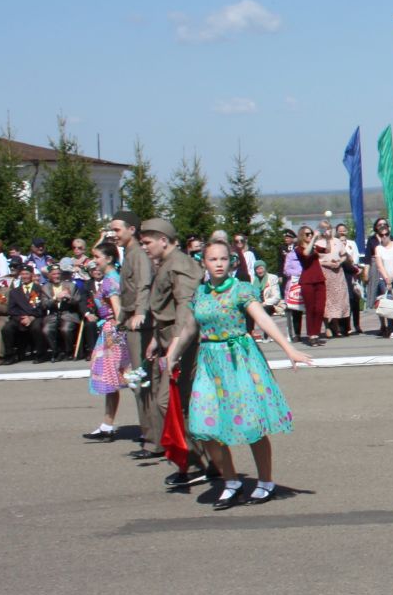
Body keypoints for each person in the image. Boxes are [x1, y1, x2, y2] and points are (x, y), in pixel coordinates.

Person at [164, 240, 314, 508]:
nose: (219, 263)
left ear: (231, 262)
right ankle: (230, 481)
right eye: (213, 259)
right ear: (204, 263)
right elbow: (188, 329)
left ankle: (265, 482)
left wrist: (288, 349)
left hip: (239, 361)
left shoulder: (240, 290)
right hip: (209, 363)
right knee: (205, 426)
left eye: (223, 259)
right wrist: (171, 355)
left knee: (250, 425)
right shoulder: (200, 294)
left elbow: (263, 319)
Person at [142, 217, 209, 489]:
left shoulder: (180, 265)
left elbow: (185, 307)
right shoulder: (167, 264)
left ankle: (198, 463)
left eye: (147, 242)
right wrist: (158, 340)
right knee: (177, 405)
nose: (144, 247)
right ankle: (206, 462)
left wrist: (176, 347)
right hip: (171, 341)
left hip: (185, 344)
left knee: (176, 404)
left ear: (163, 240)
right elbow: (167, 309)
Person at [81, 242, 131, 438]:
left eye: (97, 257)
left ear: (108, 259)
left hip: (114, 333)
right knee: (115, 380)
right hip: (111, 330)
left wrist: (115, 336)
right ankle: (107, 425)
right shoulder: (111, 279)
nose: (94, 261)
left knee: (128, 377)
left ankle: (149, 428)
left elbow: (118, 313)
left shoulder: (111, 282)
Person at [4, 269, 50, 363]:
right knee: (6, 328)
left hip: (36, 316)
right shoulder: (14, 291)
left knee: (36, 327)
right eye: (22, 274)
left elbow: (42, 307)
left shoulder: (40, 289)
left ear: (32, 275)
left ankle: (41, 354)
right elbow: (11, 309)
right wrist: (22, 317)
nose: (25, 276)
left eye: (27, 274)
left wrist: (31, 317)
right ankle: (10, 356)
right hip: (19, 317)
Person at [371, 221, 393, 337]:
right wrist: (387, 279)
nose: (384, 237)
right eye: (381, 235)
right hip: (385, 279)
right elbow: (380, 265)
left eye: (386, 234)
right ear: (378, 236)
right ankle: (392, 329)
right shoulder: (378, 248)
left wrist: (392, 277)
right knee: (389, 304)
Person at [293, 226, 328, 344]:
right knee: (310, 309)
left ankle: (316, 333)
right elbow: (305, 254)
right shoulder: (298, 248)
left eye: (311, 233)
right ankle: (312, 335)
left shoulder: (314, 247)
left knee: (320, 308)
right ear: (302, 235)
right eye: (307, 234)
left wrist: (327, 239)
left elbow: (327, 250)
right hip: (307, 280)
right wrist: (314, 239)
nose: (310, 236)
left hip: (319, 278)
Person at [321, 223, 351, 338]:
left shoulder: (337, 241)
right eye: (324, 229)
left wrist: (339, 262)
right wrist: (326, 263)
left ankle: (336, 325)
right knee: (326, 301)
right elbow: (315, 258)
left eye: (328, 228)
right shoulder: (319, 242)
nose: (326, 231)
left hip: (337, 273)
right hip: (324, 272)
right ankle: (327, 326)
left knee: (338, 300)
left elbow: (343, 255)